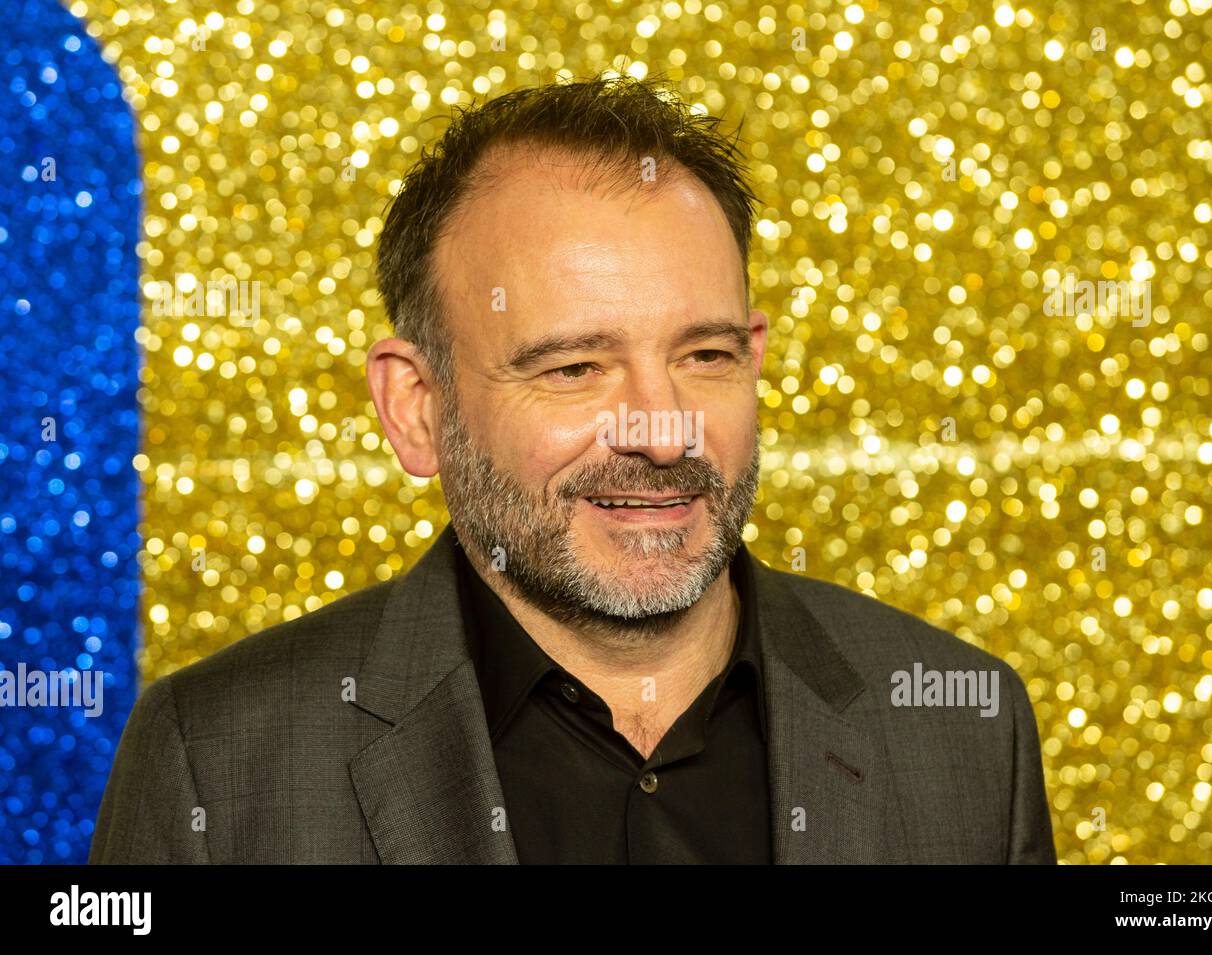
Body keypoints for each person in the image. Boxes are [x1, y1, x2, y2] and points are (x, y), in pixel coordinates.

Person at [91, 75, 1056, 864]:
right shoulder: (215, 762)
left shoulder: (962, 729)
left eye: (705, 356)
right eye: (573, 367)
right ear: (416, 409)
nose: (662, 428)